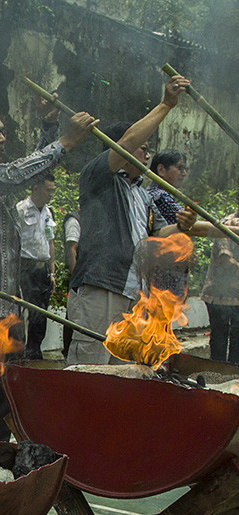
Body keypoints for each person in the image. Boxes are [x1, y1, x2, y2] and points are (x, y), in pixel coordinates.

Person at [0, 99, 95, 438]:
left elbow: (26, 174)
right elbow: (13, 177)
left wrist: (49, 128)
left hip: (4, 309)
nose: (2, 139)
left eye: (3, 132)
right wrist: (64, 141)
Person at [67, 76, 201, 365]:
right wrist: (166, 104)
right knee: (89, 371)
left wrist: (182, 226)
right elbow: (128, 142)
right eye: (143, 147)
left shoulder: (141, 192)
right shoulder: (98, 178)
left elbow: (154, 236)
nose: (146, 153)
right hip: (102, 287)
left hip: (132, 292)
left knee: (123, 376)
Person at [15, 171, 57, 360]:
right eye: (48, 190)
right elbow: (12, 241)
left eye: (53, 191)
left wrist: (53, 272)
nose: (50, 194)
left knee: (41, 311)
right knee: (21, 309)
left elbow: (51, 242)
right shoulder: (21, 209)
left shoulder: (49, 211)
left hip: (43, 269)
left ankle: (34, 350)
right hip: (25, 266)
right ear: (35, 188)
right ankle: (17, 350)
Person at [202, 209, 239, 363]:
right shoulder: (226, 224)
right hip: (218, 294)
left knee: (237, 340)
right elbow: (225, 260)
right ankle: (216, 378)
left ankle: (233, 379)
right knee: (219, 338)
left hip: (237, 294)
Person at [62, 209, 81, 357]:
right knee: (74, 315)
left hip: (87, 277)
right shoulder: (75, 220)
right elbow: (71, 249)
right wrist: (76, 277)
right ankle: (67, 351)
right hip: (80, 278)